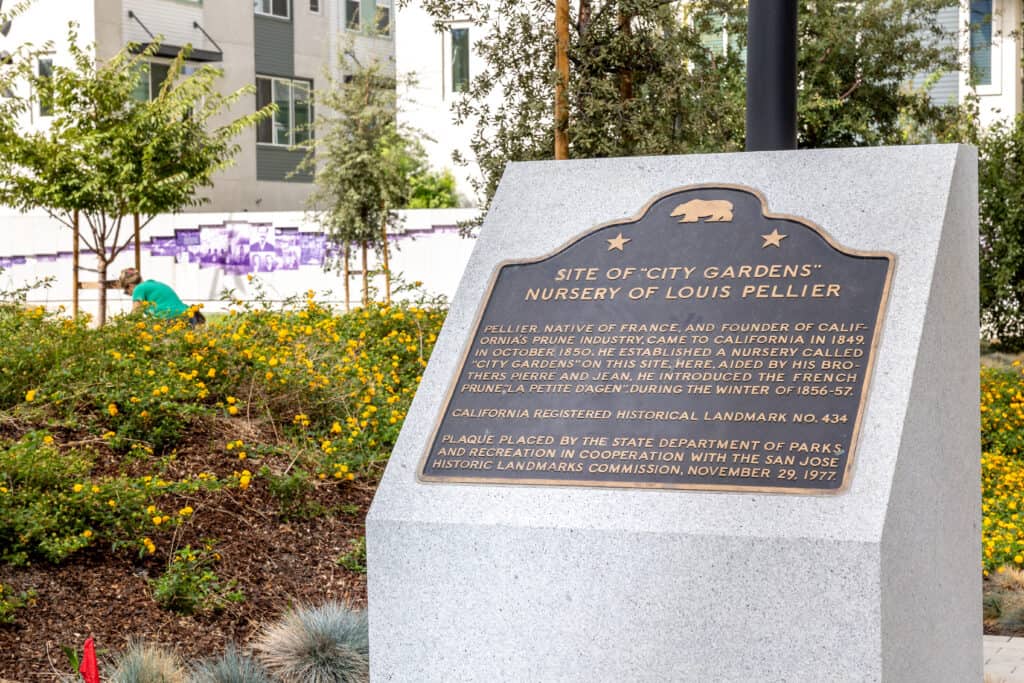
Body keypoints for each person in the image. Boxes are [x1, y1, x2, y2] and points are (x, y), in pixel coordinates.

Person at [118, 268, 205, 327]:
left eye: (127, 292)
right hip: (188, 315)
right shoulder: (154, 284)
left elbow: (135, 314)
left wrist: (122, 327)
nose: (130, 295)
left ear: (129, 286)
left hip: (172, 319)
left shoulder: (138, 288)